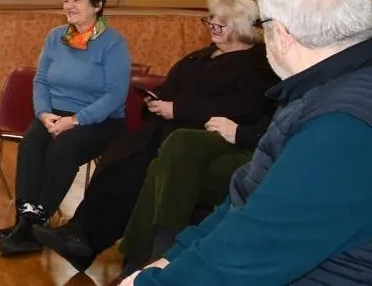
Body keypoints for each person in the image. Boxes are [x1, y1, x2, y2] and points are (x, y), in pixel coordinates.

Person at [122, 0, 372, 285]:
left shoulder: (339, 125)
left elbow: (258, 249)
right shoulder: (322, 91)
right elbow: (247, 197)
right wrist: (171, 259)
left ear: (281, 34)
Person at [33, 0, 277, 269]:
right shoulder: (204, 54)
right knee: (118, 157)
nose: (212, 28)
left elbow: (242, 108)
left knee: (137, 171)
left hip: (202, 136)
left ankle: (103, 244)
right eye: (210, 21)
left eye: (220, 25)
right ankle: (80, 231)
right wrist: (157, 100)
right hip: (166, 129)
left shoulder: (257, 65)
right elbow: (174, 84)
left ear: (241, 28)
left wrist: (178, 109)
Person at [0, 0, 131, 256]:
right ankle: (25, 219)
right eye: (66, 0)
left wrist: (76, 120)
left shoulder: (113, 43)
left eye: (77, 0)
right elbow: (41, 80)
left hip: (100, 120)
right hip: (54, 114)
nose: (69, 5)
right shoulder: (56, 37)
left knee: (63, 148)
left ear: (97, 5)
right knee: (31, 144)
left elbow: (115, 95)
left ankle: (37, 219)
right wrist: (43, 113)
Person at [116, 110, 274, 276]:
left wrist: (242, 133)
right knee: (176, 147)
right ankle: (152, 258)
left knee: (166, 166)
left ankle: (149, 258)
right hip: (251, 135)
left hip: (262, 153)